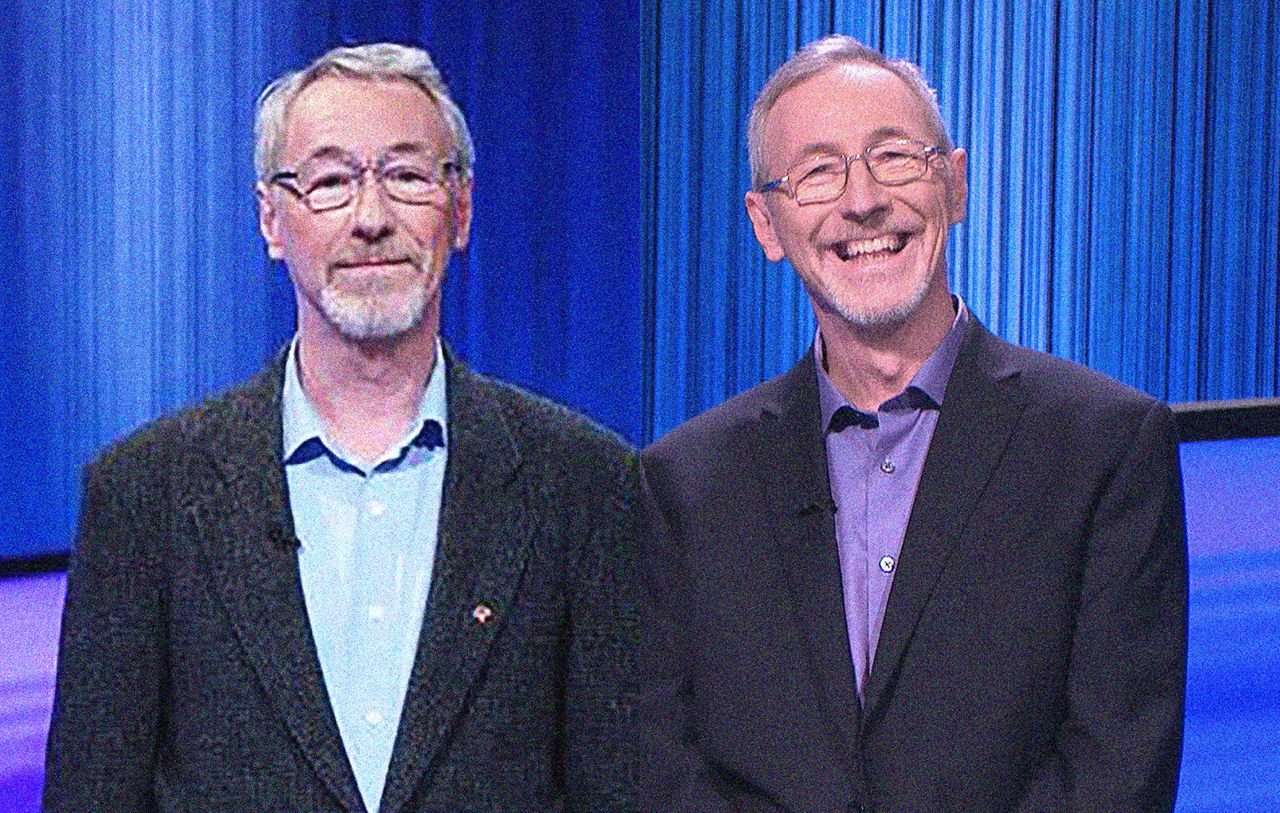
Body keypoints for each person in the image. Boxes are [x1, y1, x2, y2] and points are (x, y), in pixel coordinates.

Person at [44, 43, 637, 812]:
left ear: (460, 210)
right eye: (329, 182)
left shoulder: (585, 483)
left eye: (407, 176)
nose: (371, 218)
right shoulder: (143, 492)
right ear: (272, 220)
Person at [640, 34, 1187, 812]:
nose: (862, 200)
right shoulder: (684, 483)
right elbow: (664, 769)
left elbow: (1116, 770)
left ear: (956, 185)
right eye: (818, 172)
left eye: (894, 157)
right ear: (766, 224)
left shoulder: (1104, 447)